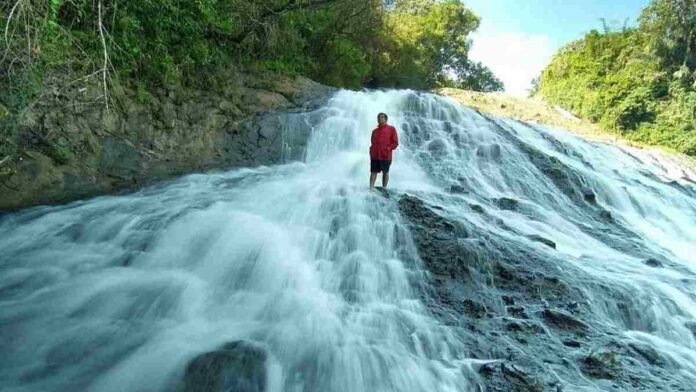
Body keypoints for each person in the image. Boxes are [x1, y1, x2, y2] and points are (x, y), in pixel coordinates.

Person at [369, 112, 399, 188]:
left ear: (386, 119)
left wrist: (388, 149)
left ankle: (384, 188)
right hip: (375, 155)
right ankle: (371, 187)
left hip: (386, 155)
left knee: (385, 172)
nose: (380, 118)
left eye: (382, 117)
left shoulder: (392, 129)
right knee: (373, 171)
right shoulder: (374, 131)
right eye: (378, 117)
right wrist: (371, 150)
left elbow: (395, 143)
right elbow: (372, 142)